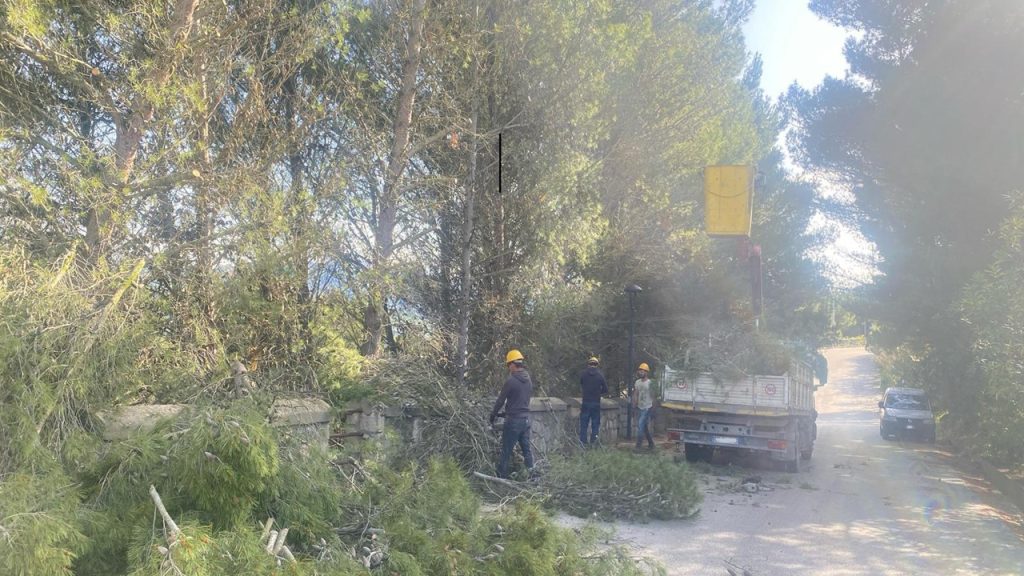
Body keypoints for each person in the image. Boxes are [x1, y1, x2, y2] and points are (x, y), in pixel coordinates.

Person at [490, 349, 535, 478]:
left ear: (512, 364)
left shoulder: (511, 381)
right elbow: (520, 401)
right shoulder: (528, 380)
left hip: (514, 422)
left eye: (508, 365)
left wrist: (493, 415)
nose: (508, 368)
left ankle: (501, 479)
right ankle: (533, 476)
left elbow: (500, 400)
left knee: (506, 451)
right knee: (527, 450)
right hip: (525, 420)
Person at [579, 356, 607, 446]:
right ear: (597, 365)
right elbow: (605, 389)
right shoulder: (600, 375)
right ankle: (594, 443)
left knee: (584, 423)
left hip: (586, 402)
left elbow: (581, 384)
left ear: (588, 364)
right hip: (596, 403)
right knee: (595, 424)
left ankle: (583, 443)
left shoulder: (583, 374)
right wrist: (598, 392)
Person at [633, 362, 656, 450]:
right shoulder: (637, 382)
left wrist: (653, 409)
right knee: (644, 426)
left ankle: (638, 446)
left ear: (646, 372)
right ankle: (651, 444)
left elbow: (653, 396)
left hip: (647, 407)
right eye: (639, 371)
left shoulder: (650, 383)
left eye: (642, 371)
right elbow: (635, 394)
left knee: (640, 424)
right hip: (640, 407)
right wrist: (634, 405)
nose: (640, 372)